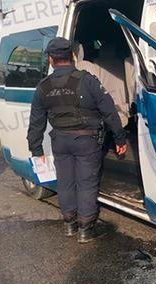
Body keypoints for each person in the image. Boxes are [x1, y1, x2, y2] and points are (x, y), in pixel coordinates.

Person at [27, 37, 128, 243]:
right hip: (86, 141)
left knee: (65, 182)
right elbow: (109, 111)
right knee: (86, 183)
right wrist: (120, 138)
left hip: (60, 141)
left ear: (51, 59)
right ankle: (85, 228)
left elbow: (36, 122)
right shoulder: (88, 80)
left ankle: (69, 224)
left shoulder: (43, 87)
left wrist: (36, 150)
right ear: (72, 55)